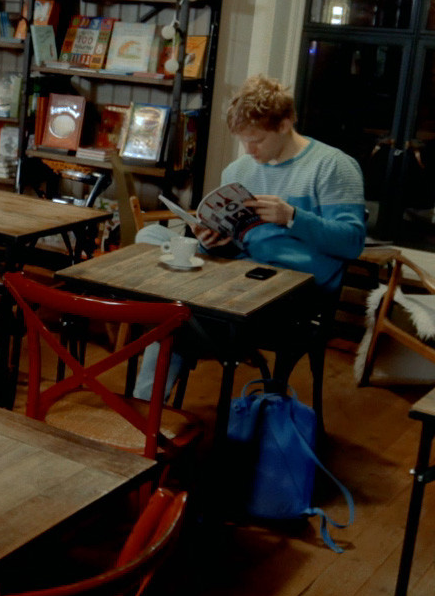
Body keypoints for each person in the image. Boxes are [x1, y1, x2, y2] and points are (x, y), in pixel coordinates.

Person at [133, 74, 366, 399]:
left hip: (297, 296)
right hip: (237, 279)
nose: (249, 149)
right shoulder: (239, 171)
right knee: (149, 236)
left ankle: (144, 409)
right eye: (243, 140)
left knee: (170, 318)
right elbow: (237, 246)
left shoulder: (332, 167)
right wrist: (215, 241)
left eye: (256, 140)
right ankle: (147, 409)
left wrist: (294, 218)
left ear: (285, 124)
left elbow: (352, 243)